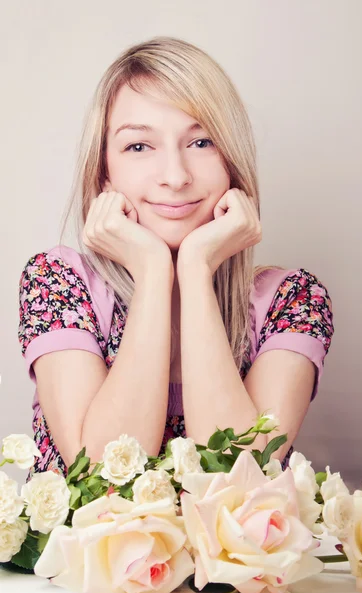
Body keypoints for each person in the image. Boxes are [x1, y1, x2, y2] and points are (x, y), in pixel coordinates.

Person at [17, 36, 334, 483]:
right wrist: (151, 273)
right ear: (104, 170)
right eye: (139, 147)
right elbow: (103, 480)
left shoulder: (293, 299)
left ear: (232, 160)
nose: (175, 176)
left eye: (201, 142)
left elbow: (239, 482)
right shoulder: (57, 280)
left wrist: (196, 268)